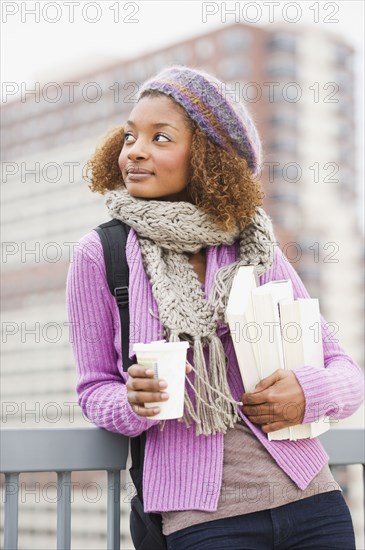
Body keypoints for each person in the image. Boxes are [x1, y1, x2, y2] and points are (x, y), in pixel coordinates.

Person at [66, 66, 364, 550]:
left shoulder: (254, 245)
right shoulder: (102, 254)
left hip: (312, 500)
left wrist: (307, 392)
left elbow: (347, 372)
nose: (135, 150)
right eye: (129, 136)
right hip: (204, 519)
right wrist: (133, 403)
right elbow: (94, 387)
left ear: (204, 157)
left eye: (160, 137)